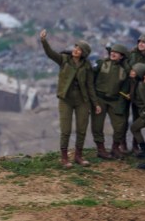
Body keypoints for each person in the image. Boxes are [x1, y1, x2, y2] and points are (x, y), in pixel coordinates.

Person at [40, 29, 101, 168]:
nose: (76, 50)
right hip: (65, 99)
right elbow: (50, 53)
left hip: (82, 101)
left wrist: (95, 103)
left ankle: (78, 156)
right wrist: (44, 41)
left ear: (84, 53)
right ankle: (64, 158)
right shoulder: (64, 60)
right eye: (76, 47)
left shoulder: (86, 66)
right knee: (66, 129)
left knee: (81, 129)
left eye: (80, 50)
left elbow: (90, 86)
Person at [91, 43, 131, 159]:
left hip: (115, 100)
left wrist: (121, 101)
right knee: (97, 125)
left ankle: (115, 148)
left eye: (117, 53)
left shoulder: (124, 70)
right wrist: (93, 100)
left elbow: (126, 87)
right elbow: (91, 78)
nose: (113, 54)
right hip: (99, 98)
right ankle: (101, 149)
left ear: (122, 56)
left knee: (120, 125)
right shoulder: (101, 64)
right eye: (112, 51)